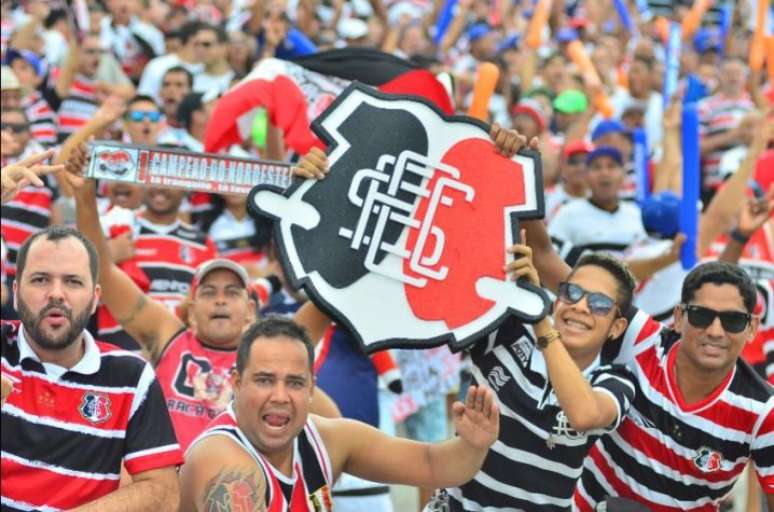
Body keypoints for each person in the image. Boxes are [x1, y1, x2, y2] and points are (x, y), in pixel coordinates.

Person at [65, 143, 333, 450]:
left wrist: (322, 190)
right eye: (209, 292)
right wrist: (85, 196)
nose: (220, 300)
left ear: (250, 310)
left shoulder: (275, 354)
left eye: (231, 292)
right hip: (170, 490)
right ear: (191, 310)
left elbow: (330, 295)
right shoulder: (168, 338)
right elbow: (105, 272)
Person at [179, 315, 500, 511]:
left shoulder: (327, 438)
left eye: (294, 383)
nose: (279, 396)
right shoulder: (221, 459)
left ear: (310, 388)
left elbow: (433, 465)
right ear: (236, 383)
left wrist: (471, 444)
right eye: (264, 380)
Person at [428, 243, 637, 511]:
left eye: (599, 304)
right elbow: (455, 280)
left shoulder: (617, 380)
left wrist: (541, 319)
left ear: (616, 328)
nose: (581, 307)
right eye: (572, 293)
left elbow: (584, 415)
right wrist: (502, 258)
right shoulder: (507, 331)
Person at [1, 225, 182, 511]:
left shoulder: (132, 376)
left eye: (73, 282)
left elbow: (162, 492)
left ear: (96, 297)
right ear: (15, 291)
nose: (56, 294)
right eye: (40, 279)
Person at [574, 261, 773, 510]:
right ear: (679, 317)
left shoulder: (764, 411)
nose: (715, 331)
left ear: (752, 328)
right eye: (701, 316)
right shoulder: (642, 340)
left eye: (732, 320)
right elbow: (570, 287)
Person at [549, 145, 647, 265]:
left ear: (623, 175)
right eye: (596, 167)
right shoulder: (568, 213)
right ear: (586, 176)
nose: (604, 173)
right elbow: (549, 254)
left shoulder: (635, 213)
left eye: (611, 166)